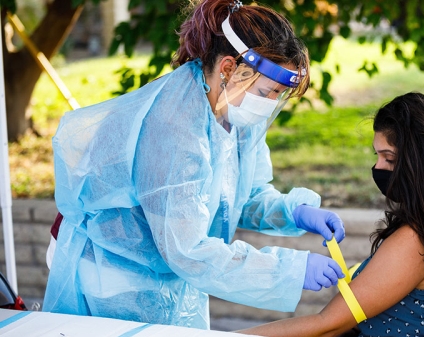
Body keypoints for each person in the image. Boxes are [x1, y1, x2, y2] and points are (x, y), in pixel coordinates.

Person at [42, 0, 346, 330]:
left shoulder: (235, 113)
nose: (270, 104)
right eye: (266, 91)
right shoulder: (173, 126)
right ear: (229, 68)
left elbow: (241, 197)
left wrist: (293, 211)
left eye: (277, 94)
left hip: (171, 267)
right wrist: (288, 269)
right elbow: (186, 249)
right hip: (112, 271)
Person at [239, 92, 424, 337]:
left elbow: (327, 326)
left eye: (389, 158)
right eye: (377, 156)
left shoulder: (419, 241)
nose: (378, 167)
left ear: (421, 162)